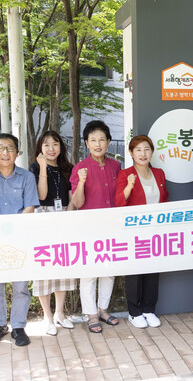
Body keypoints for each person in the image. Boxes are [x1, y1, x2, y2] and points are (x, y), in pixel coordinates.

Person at [0, 133, 39, 346]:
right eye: (0, 148)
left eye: (10, 148)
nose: (5, 153)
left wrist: (13, 228)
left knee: (20, 285)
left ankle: (18, 326)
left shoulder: (26, 177)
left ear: (17, 152)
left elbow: (30, 207)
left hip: (19, 237)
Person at [70, 120, 121, 333]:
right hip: (89, 227)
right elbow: (78, 202)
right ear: (86, 143)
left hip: (113, 226)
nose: (98, 144)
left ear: (108, 142)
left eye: (102, 139)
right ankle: (91, 314)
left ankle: (103, 310)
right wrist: (81, 181)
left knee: (109, 270)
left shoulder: (116, 166)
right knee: (90, 271)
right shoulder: (79, 168)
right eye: (93, 140)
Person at [115, 135, 169, 329]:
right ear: (131, 153)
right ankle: (134, 312)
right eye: (138, 150)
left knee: (153, 271)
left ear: (152, 152)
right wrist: (129, 186)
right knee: (135, 272)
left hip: (155, 231)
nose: (143, 154)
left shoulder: (159, 173)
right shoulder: (125, 174)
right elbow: (119, 202)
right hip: (134, 232)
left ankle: (149, 309)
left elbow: (165, 200)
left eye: (146, 149)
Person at [29, 130, 76, 336]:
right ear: (40, 147)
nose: (51, 148)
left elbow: (72, 196)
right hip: (42, 217)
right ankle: (47, 316)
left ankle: (60, 313)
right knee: (44, 266)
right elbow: (41, 195)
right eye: (46, 144)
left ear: (61, 147)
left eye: (55, 144)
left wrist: (69, 216)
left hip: (65, 215)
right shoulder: (34, 167)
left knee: (63, 265)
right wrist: (41, 167)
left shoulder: (68, 168)